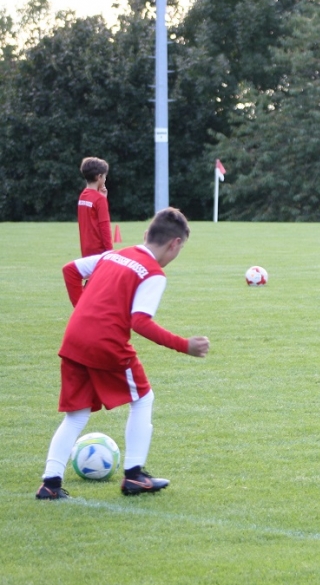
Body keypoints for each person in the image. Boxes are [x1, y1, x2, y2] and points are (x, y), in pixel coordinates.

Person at [36, 207, 210, 500]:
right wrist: (185, 345)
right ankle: (134, 476)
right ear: (175, 244)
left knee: (76, 415)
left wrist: (83, 310)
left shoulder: (112, 255)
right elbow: (140, 322)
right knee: (143, 399)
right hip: (106, 343)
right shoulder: (153, 273)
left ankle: (50, 484)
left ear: (146, 234)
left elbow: (71, 270)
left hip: (75, 338)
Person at [77, 157, 113, 256]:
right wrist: (110, 252)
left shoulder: (83, 196)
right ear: (99, 177)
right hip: (99, 251)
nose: (105, 179)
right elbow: (104, 227)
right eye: (105, 176)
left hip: (86, 249)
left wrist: (103, 198)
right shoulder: (99, 199)